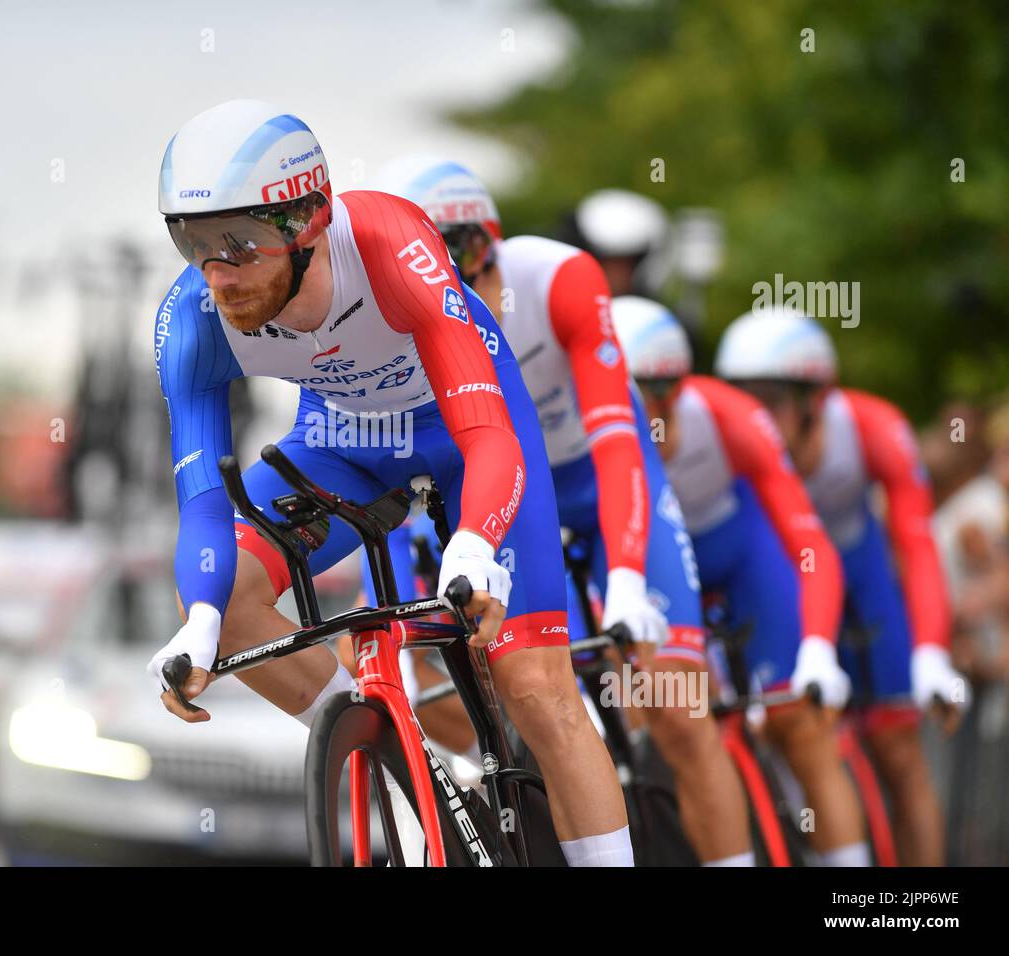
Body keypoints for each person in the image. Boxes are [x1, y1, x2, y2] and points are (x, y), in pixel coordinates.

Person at [145, 101, 632, 865]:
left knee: (535, 687)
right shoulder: (193, 320)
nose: (217, 271)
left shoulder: (389, 244)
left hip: (466, 432)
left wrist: (473, 544)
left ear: (306, 220)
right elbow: (204, 502)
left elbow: (489, 436)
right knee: (219, 597)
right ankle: (396, 755)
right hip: (341, 441)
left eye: (238, 241)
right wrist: (202, 624)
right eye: (192, 240)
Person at [373, 156, 754, 866]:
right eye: (439, 259)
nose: (464, 274)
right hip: (520, 491)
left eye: (476, 250)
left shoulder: (558, 278)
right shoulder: (406, 323)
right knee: (540, 698)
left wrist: (631, 585)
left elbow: (619, 446)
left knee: (679, 708)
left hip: (599, 478)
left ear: (498, 242)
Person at [611, 295, 871, 865]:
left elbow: (808, 542)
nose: (628, 418)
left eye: (646, 401)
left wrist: (818, 650)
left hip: (741, 555)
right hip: (656, 566)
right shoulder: (593, 440)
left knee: (800, 727)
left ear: (675, 391)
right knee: (664, 709)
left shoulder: (730, 416)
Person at [715, 306, 969, 866]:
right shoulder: (731, 440)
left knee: (899, 753)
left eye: (772, 398)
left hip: (862, 583)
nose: (756, 414)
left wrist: (930, 652)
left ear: (814, 401)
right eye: (744, 397)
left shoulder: (873, 428)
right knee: (795, 734)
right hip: (783, 583)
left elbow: (917, 542)